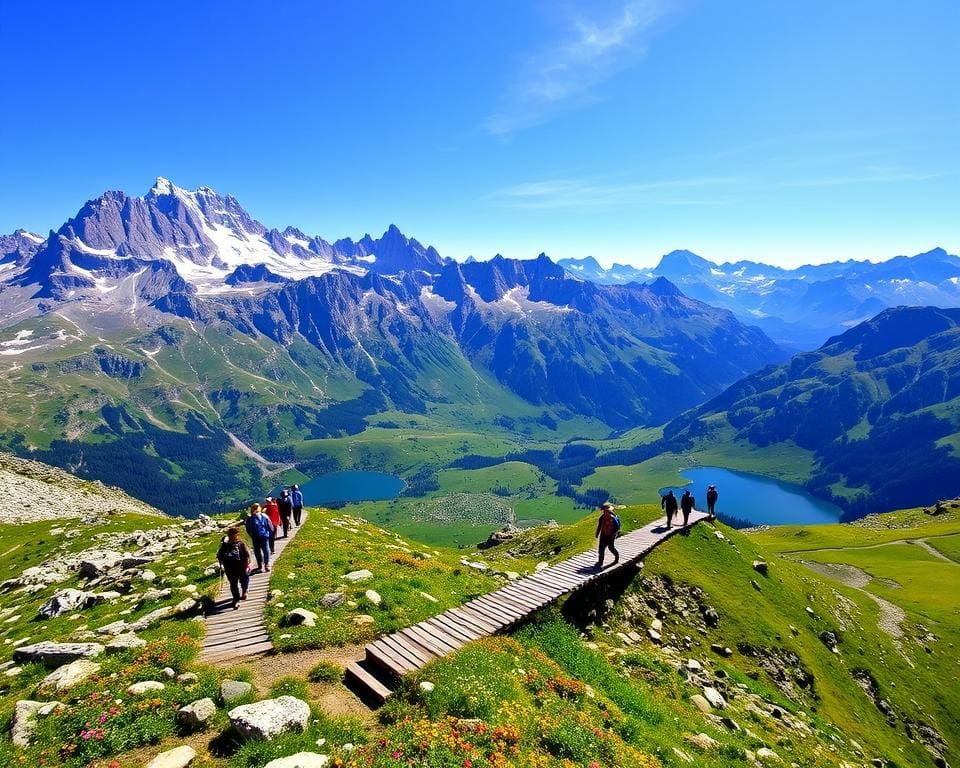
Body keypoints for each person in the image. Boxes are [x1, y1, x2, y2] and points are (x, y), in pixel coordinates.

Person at [217, 527, 251, 609]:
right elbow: (247, 554)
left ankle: (238, 597)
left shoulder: (225, 545)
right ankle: (242, 594)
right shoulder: (241, 544)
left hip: (230, 567)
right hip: (240, 565)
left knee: (234, 583)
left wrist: (221, 564)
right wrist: (249, 563)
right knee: (242, 580)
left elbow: (219, 556)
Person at [244, 503, 274, 572]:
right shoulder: (264, 516)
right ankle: (265, 565)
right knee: (264, 551)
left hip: (258, 537)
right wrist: (269, 533)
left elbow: (248, 529)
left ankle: (262, 566)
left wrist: (252, 535)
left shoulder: (250, 519)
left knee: (260, 551)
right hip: (263, 536)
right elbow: (270, 526)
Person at [594, 502, 621, 570]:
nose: (604, 511)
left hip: (609, 535)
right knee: (601, 548)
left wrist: (612, 534)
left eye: (605, 510)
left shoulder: (612, 517)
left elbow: (617, 527)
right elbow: (600, 526)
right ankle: (600, 562)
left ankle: (616, 558)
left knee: (610, 547)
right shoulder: (603, 517)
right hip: (604, 534)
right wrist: (597, 533)